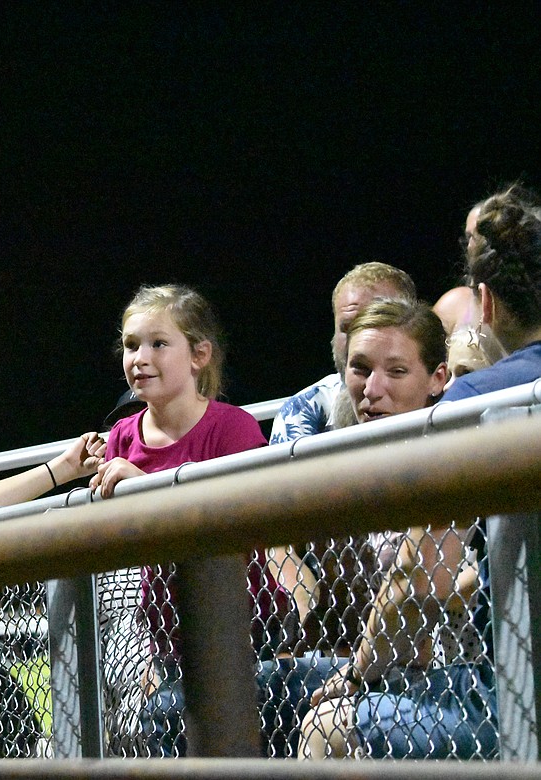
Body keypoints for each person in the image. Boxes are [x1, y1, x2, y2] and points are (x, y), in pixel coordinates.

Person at [299, 184, 541, 759]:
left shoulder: (479, 400)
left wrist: (356, 676)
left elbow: (421, 577)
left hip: (511, 695)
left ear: (484, 302)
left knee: (326, 724)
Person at [87, 284, 288, 756]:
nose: (140, 357)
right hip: (168, 635)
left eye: (158, 343)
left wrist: (148, 485)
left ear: (199, 354)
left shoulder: (231, 426)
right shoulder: (121, 436)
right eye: (131, 344)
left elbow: (244, 514)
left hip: (248, 627)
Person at [257, 298, 450, 756]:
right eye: (359, 368)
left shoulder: (456, 457)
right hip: (372, 663)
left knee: (326, 727)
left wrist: (358, 669)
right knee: (214, 694)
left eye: (397, 372)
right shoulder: (344, 466)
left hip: (447, 675)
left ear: (438, 379)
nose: (372, 389)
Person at [269, 263, 417, 445]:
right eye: (348, 327)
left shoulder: (446, 392)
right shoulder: (302, 410)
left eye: (376, 323)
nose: (359, 340)